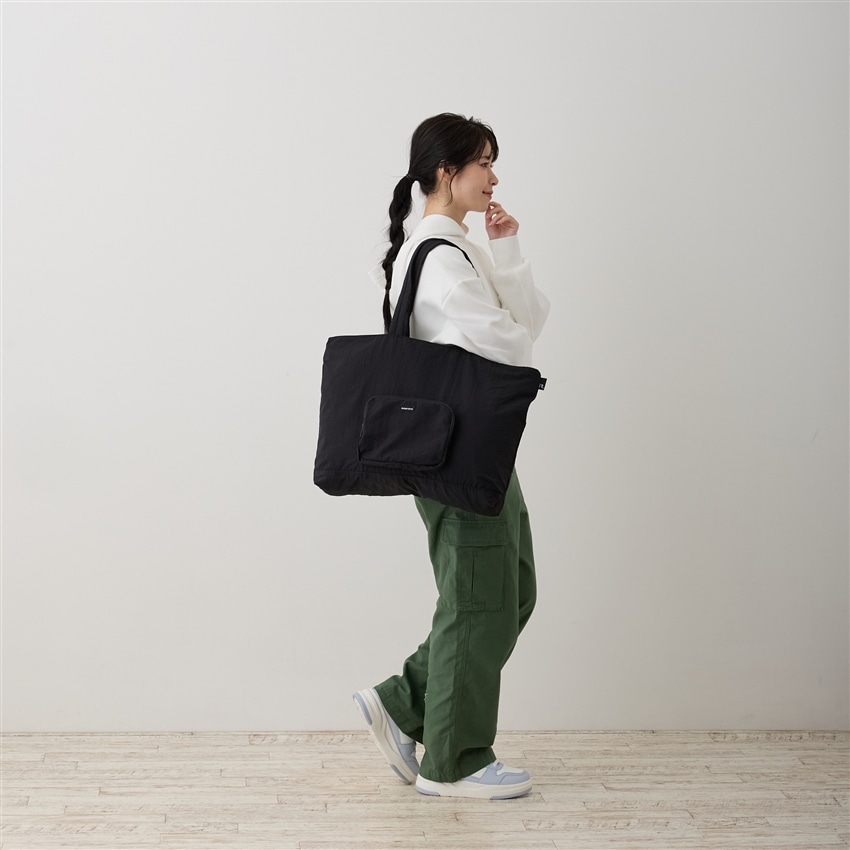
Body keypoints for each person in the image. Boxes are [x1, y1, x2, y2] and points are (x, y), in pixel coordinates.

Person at [353, 113, 550, 800]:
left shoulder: (457, 251)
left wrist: (508, 248)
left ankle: (405, 703)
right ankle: (455, 761)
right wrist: (511, 320)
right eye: (484, 162)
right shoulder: (437, 258)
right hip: (458, 453)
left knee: (510, 589)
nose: (493, 177)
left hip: (475, 450)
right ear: (447, 171)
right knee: (478, 600)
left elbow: (525, 327)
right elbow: (516, 348)